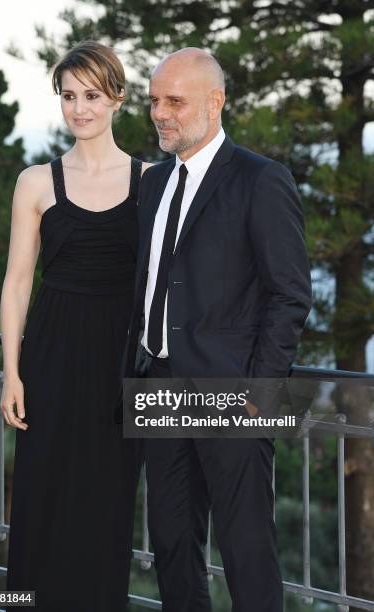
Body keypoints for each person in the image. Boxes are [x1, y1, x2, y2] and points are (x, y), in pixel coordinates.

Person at [125, 48, 312, 612]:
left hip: (235, 393)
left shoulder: (262, 180)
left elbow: (290, 294)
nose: (160, 113)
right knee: (172, 544)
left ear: (215, 102)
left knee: (246, 551)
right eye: (155, 100)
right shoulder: (153, 185)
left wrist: (260, 392)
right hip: (159, 387)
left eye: (174, 101)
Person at [0, 40, 149, 611]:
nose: (79, 108)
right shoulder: (35, 182)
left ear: (117, 97)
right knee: (40, 500)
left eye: (91, 95)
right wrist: (12, 374)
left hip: (120, 367)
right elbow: (16, 283)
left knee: (106, 507)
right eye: (68, 96)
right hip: (50, 359)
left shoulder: (151, 181)